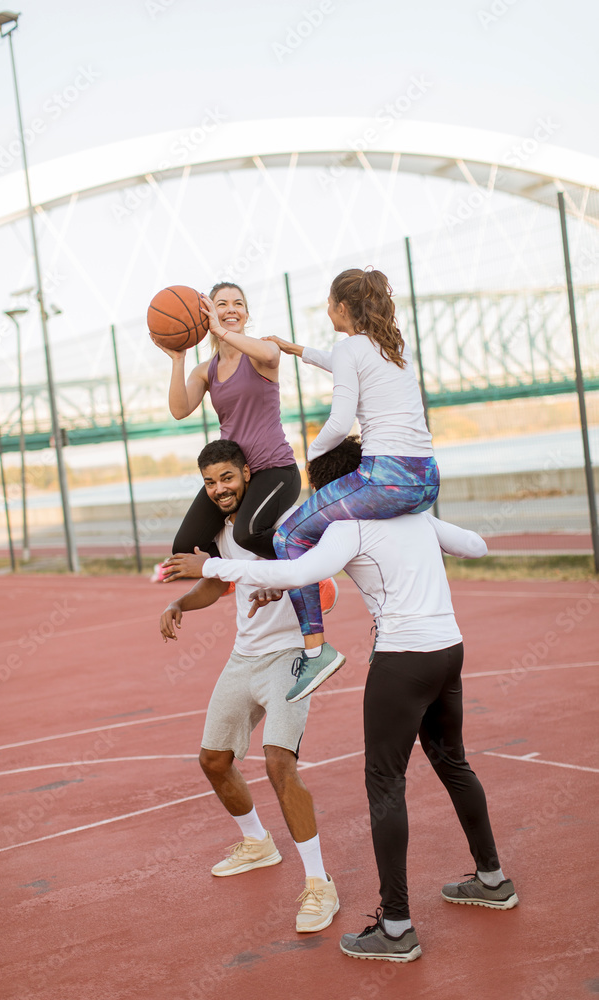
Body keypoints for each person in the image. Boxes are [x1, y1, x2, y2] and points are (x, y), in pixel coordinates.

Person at [166, 437, 518, 963]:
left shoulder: (346, 524)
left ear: (336, 489)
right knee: (453, 764)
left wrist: (213, 568)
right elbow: (477, 546)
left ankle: (396, 928)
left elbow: (299, 572)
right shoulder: (414, 515)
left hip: (402, 660)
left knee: (385, 785)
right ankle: (492, 880)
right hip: (449, 651)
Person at [159, 438, 339, 934]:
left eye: (227, 478)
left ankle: (320, 883)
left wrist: (286, 586)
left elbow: (326, 583)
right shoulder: (222, 531)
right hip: (244, 657)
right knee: (213, 760)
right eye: (209, 483)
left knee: (279, 763)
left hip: (290, 655)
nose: (219, 489)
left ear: (247, 474)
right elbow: (218, 583)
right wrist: (179, 605)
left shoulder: (282, 521)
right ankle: (258, 843)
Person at [264, 267, 440, 703]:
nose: (327, 310)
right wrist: (299, 351)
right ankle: (390, 629)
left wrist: (313, 454)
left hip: (385, 480)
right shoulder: (393, 348)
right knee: (369, 534)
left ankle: (315, 651)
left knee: (288, 536)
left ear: (342, 307)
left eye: (329, 304)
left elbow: (341, 422)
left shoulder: (350, 349)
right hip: (426, 480)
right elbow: (346, 363)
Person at [158, 281, 338, 662]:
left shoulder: (259, 354)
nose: (231, 310)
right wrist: (178, 358)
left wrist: (221, 332)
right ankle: (223, 578)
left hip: (275, 470)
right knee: (184, 546)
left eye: (238, 304)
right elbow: (179, 409)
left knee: (246, 532)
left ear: (246, 313)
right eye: (221, 304)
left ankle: (311, 572)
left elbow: (273, 353)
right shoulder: (207, 371)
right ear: (206, 312)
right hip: (237, 475)